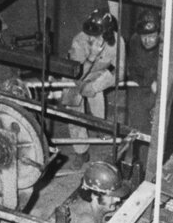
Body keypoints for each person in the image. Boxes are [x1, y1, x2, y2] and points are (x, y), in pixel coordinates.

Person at [62, 9, 126, 170]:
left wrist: (95, 87)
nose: (90, 38)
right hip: (76, 74)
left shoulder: (118, 42)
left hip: (97, 74)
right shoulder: (79, 40)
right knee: (73, 110)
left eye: (96, 34)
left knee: (97, 96)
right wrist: (91, 56)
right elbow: (78, 75)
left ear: (107, 33)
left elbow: (120, 73)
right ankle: (81, 150)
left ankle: (100, 127)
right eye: (89, 33)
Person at [125, 9, 161, 134]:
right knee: (138, 126)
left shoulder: (166, 44)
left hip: (159, 88)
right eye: (144, 36)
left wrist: (158, 81)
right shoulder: (134, 41)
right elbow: (133, 70)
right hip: (140, 87)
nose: (147, 41)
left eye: (151, 36)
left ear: (159, 34)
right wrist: (149, 82)